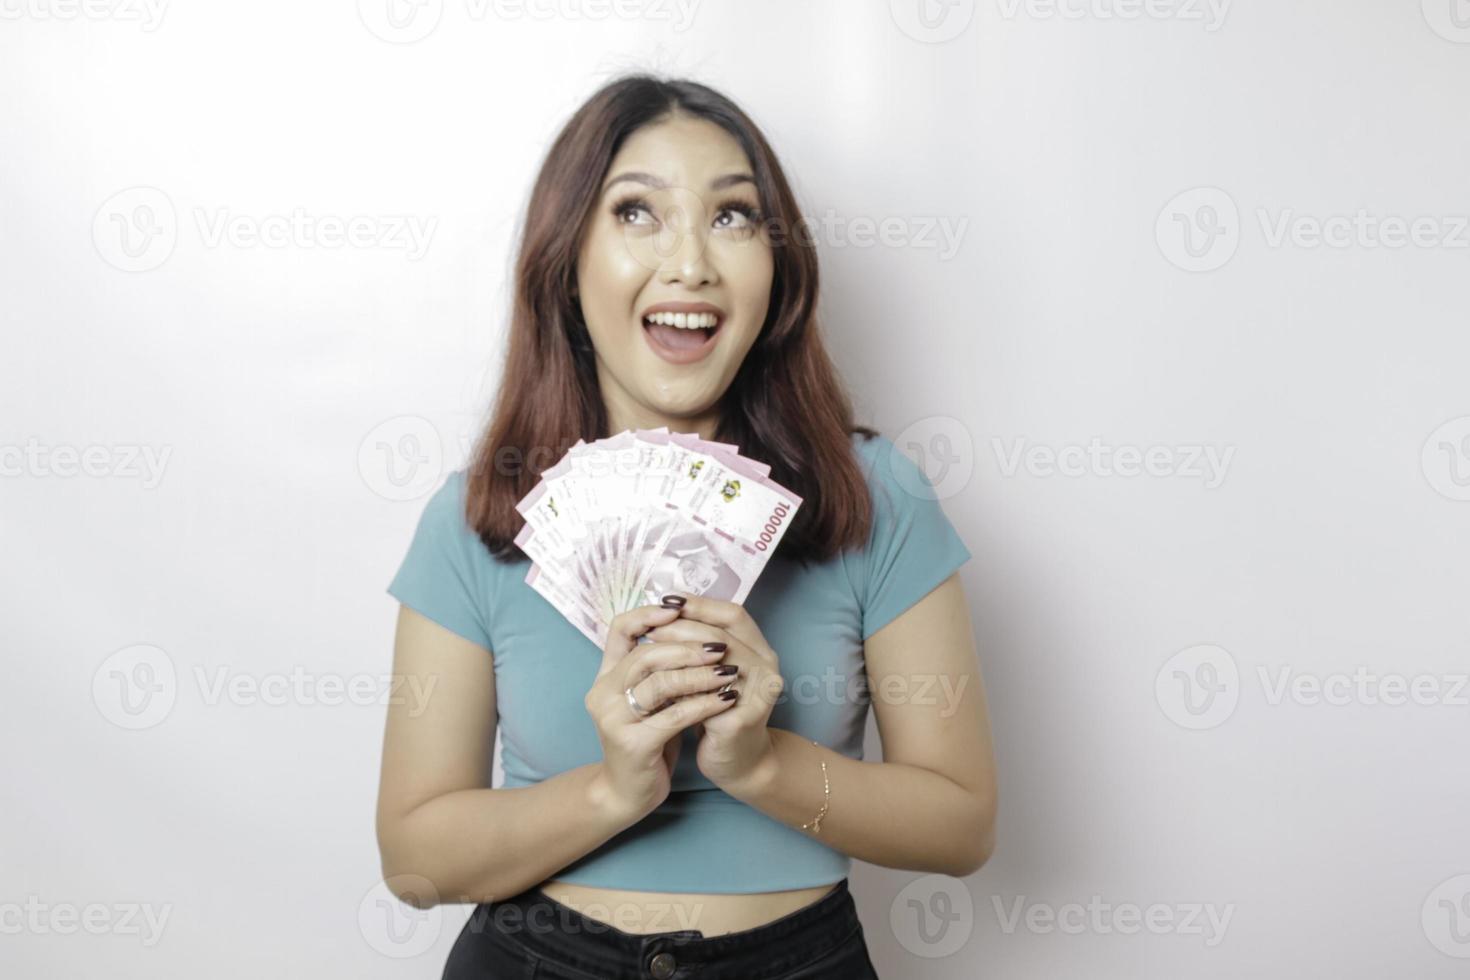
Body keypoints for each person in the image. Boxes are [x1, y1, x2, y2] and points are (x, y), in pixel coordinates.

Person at [375, 72, 998, 980]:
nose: (691, 263)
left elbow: (962, 826)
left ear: (777, 266)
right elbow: (414, 861)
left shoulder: (878, 495)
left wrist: (759, 764)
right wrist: (614, 789)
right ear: (567, 259)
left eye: (734, 217)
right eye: (636, 214)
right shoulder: (479, 515)